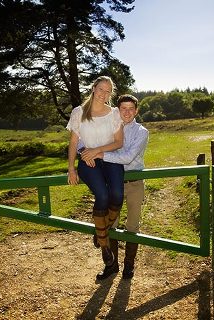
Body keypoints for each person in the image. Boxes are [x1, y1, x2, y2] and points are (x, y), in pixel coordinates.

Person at [81, 94, 148, 280]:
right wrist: (87, 152)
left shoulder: (142, 132)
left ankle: (129, 266)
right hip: (112, 184)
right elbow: (87, 141)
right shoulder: (108, 127)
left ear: (136, 111)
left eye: (130, 108)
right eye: (122, 108)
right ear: (117, 110)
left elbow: (127, 158)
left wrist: (100, 154)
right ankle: (112, 265)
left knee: (132, 225)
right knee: (112, 226)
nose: (126, 112)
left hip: (134, 184)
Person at [66, 76, 125, 274]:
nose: (104, 94)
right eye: (101, 89)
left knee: (117, 195)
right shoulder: (79, 112)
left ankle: (100, 232)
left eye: (108, 91)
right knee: (102, 196)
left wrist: (97, 151)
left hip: (109, 158)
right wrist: (72, 167)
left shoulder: (114, 113)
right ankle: (105, 248)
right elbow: (74, 142)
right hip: (87, 162)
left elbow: (118, 142)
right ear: (93, 88)